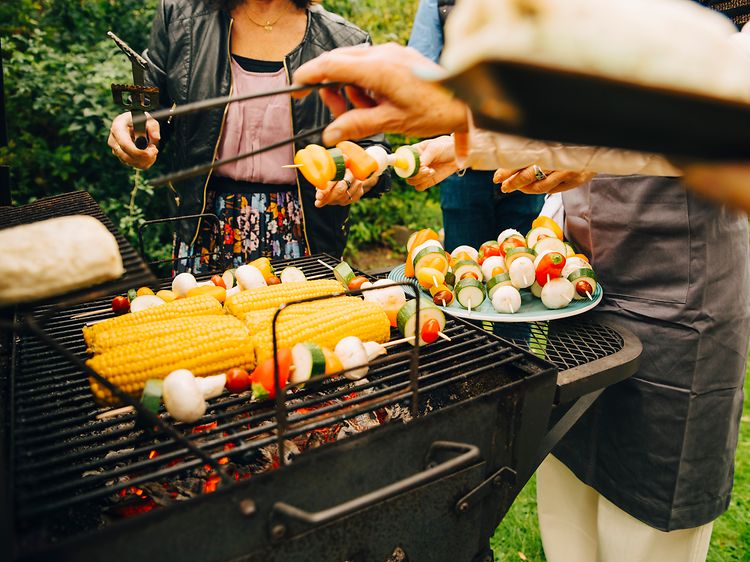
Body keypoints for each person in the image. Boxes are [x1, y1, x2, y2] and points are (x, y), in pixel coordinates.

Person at [291, 4, 750, 560]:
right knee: (568, 511)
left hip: (682, 286)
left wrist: (464, 108)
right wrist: (455, 140)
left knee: (646, 528)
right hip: (576, 276)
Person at [107, 0, 390, 272]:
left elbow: (372, 143)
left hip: (303, 232)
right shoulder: (181, 17)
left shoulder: (346, 42)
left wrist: (362, 174)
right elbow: (152, 111)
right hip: (203, 226)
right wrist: (133, 129)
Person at [408, 0, 545, 250]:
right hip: (461, 167)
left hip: (526, 159)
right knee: (465, 263)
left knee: (524, 264)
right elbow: (420, 75)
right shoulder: (438, 3)